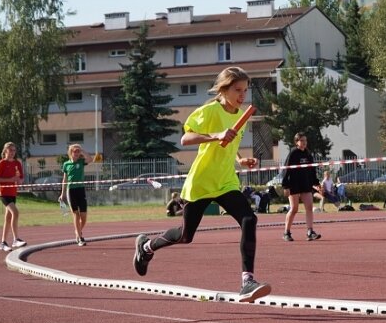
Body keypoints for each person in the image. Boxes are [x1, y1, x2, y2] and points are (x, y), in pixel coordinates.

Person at [132, 66, 270, 303]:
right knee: (186, 236)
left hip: (225, 181)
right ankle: (146, 247)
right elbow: (186, 138)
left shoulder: (241, 115)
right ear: (223, 89)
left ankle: (247, 281)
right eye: (238, 90)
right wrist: (215, 135)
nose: (242, 95)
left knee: (249, 219)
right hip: (202, 181)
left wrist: (240, 159)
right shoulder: (209, 111)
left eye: (245, 90)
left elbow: (229, 143)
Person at [281, 132, 322, 241]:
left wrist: (316, 183)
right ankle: (287, 232)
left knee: (309, 207)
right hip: (294, 184)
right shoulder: (293, 153)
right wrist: (285, 186)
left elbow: (312, 170)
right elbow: (286, 170)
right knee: (294, 209)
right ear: (297, 142)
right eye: (302, 140)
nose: (304, 143)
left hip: (305, 185)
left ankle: (310, 232)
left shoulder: (308, 154)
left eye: (305, 140)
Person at [0, 142, 27, 252]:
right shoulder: (2, 163)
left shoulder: (17, 163)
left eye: (14, 150)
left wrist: (19, 181)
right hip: (3, 192)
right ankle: (16, 239)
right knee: (15, 212)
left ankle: (3, 243)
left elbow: (20, 179)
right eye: (10, 150)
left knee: (8, 218)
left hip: (13, 193)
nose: (12, 152)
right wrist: (10, 180)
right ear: (5, 151)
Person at [59, 144, 92, 246]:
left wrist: (82, 150)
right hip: (71, 191)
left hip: (80, 190)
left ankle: (77, 231)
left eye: (78, 151)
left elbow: (90, 159)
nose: (77, 153)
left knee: (84, 216)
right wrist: (62, 193)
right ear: (71, 153)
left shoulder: (81, 162)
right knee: (76, 213)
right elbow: (64, 179)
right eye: (75, 151)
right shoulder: (66, 164)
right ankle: (80, 237)